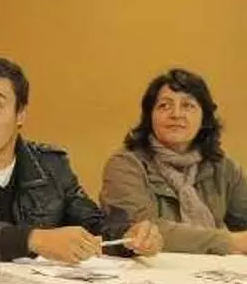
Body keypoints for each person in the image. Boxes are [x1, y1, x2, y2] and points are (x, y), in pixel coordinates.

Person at [0, 55, 161, 263]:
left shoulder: (51, 164)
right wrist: (33, 240)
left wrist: (130, 236)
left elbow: (93, 224)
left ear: (20, 114)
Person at [100, 68, 247, 254]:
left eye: (187, 106)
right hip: (151, 267)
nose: (176, 114)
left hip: (213, 268)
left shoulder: (222, 167)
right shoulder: (125, 164)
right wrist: (229, 242)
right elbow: (142, 231)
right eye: (164, 106)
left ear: (204, 118)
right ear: (149, 116)